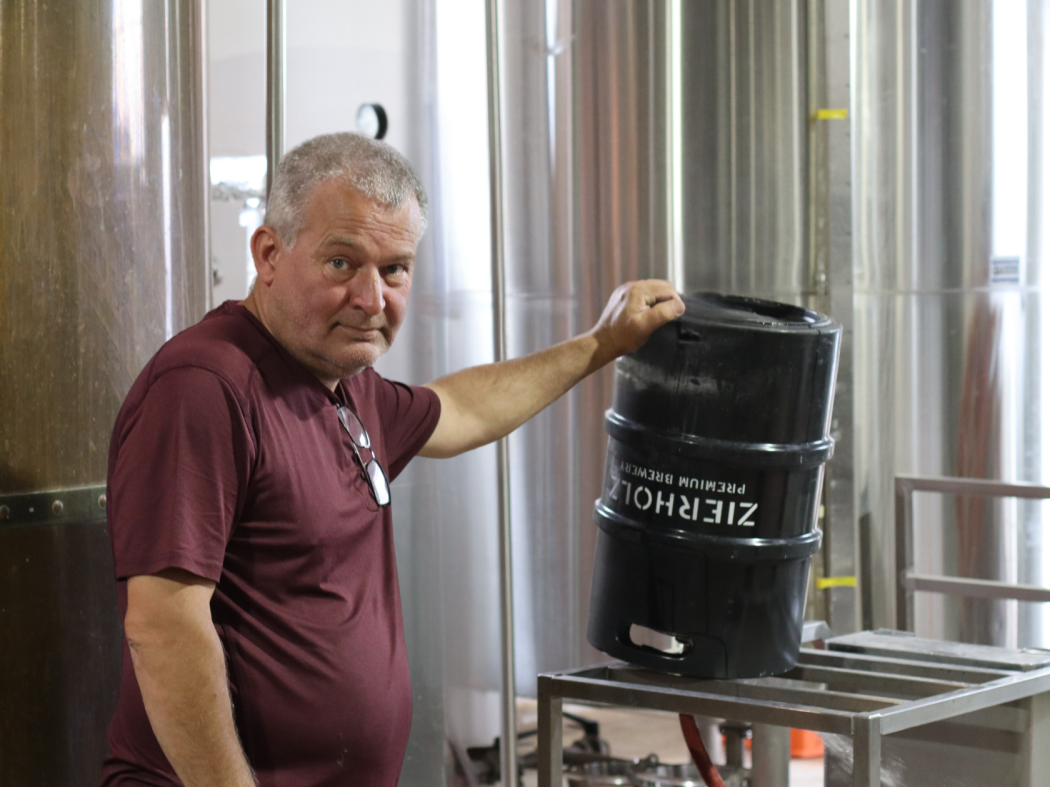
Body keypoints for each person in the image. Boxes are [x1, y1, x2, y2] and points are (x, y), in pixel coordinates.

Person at [100, 132, 684, 787]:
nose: (372, 300)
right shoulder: (206, 387)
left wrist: (601, 344)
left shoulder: (343, 383)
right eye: (342, 264)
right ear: (268, 253)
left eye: (395, 269)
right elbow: (164, 626)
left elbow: (457, 408)